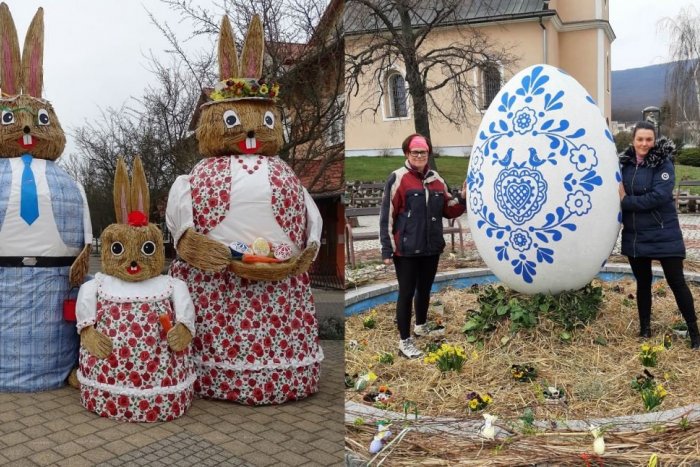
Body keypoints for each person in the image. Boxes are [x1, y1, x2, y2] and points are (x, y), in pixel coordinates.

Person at [379, 133, 467, 358]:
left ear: (428, 153)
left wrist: (463, 198)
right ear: (407, 153)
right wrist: (387, 249)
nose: (419, 155)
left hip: (431, 247)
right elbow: (387, 215)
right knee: (406, 292)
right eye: (415, 152)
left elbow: (449, 208)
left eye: (423, 152)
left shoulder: (436, 179)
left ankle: (421, 325)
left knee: (425, 290)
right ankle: (404, 341)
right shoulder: (397, 178)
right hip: (406, 250)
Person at [618, 121, 699, 349]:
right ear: (632, 141)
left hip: (664, 233)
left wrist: (626, 201)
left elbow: (659, 196)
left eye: (649, 139)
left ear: (654, 141)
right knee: (643, 284)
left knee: (677, 283)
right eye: (640, 139)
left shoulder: (663, 164)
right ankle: (645, 329)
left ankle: (694, 333)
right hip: (636, 235)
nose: (644, 144)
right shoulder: (624, 166)